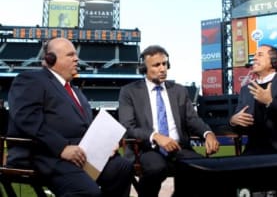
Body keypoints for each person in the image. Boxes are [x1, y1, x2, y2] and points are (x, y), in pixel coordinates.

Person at [6, 37, 133, 197]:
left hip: (81, 154)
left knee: (122, 168)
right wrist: (61, 148)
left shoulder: (76, 91)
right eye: (70, 55)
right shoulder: (31, 79)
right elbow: (27, 118)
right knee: (87, 192)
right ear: (51, 59)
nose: (76, 58)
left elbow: (88, 128)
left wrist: (106, 144)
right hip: (48, 155)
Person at [118, 45, 220, 197]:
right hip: (147, 149)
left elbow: (192, 119)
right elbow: (127, 126)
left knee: (202, 168)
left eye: (164, 64)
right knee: (156, 168)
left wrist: (208, 133)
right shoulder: (129, 92)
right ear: (144, 68)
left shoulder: (179, 91)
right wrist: (156, 136)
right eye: (156, 65)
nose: (162, 69)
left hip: (179, 148)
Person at [229, 44, 277, 155]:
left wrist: (270, 102)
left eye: (260, 55)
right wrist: (233, 121)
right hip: (253, 151)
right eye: (254, 55)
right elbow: (239, 127)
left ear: (273, 61)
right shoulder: (246, 89)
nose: (254, 58)